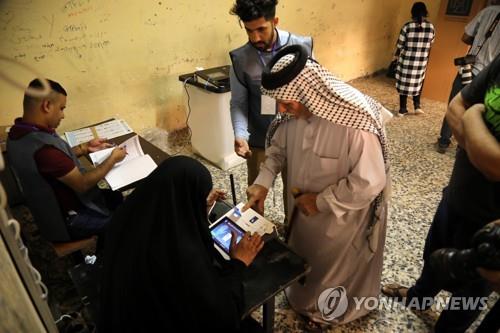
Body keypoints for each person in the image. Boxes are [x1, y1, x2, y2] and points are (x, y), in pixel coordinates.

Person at [244, 45, 390, 328]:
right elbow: (277, 151)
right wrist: (262, 183)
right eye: (281, 104)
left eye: (289, 104)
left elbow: (369, 181)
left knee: (336, 266)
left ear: (309, 93)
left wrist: (322, 201)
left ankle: (330, 312)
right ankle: (303, 296)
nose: (283, 111)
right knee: (305, 254)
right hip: (302, 211)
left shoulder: (355, 124)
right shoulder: (292, 114)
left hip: (343, 217)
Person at [383, 54, 500, 333]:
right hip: (458, 193)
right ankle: (418, 298)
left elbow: (494, 165)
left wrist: (473, 119)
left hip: (493, 222)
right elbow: (457, 106)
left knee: (471, 293)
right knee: (434, 257)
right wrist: (480, 147)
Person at [98, 156, 265, 332]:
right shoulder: (183, 257)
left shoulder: (127, 215)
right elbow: (221, 316)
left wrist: (196, 206)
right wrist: (238, 263)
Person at [7, 78, 126, 241]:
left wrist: (84, 148)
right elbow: (82, 184)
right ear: (47, 106)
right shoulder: (45, 150)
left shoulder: (19, 132)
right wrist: (113, 158)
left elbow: (54, 163)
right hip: (69, 220)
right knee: (127, 220)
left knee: (117, 197)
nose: (63, 115)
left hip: (48, 210)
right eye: (61, 108)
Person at [229, 0, 313, 186]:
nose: (255, 38)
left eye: (261, 29)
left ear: (275, 21)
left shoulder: (302, 47)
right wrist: (240, 135)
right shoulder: (240, 59)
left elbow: (314, 93)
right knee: (256, 191)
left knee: (296, 192)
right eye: (249, 31)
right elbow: (239, 103)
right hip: (260, 139)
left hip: (296, 137)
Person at [437, 2, 500, 153]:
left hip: (470, 69)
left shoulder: (488, 11)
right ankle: (464, 146)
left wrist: (480, 40)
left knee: (456, 103)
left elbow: (465, 37)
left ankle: (444, 141)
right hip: (491, 76)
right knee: (478, 112)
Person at [394, 2, 435, 117]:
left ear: (412, 13)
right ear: (425, 12)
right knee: (417, 82)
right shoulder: (431, 27)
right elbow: (431, 42)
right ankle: (417, 107)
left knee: (404, 83)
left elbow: (400, 44)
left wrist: (396, 55)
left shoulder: (407, 26)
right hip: (421, 61)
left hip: (407, 61)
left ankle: (403, 109)